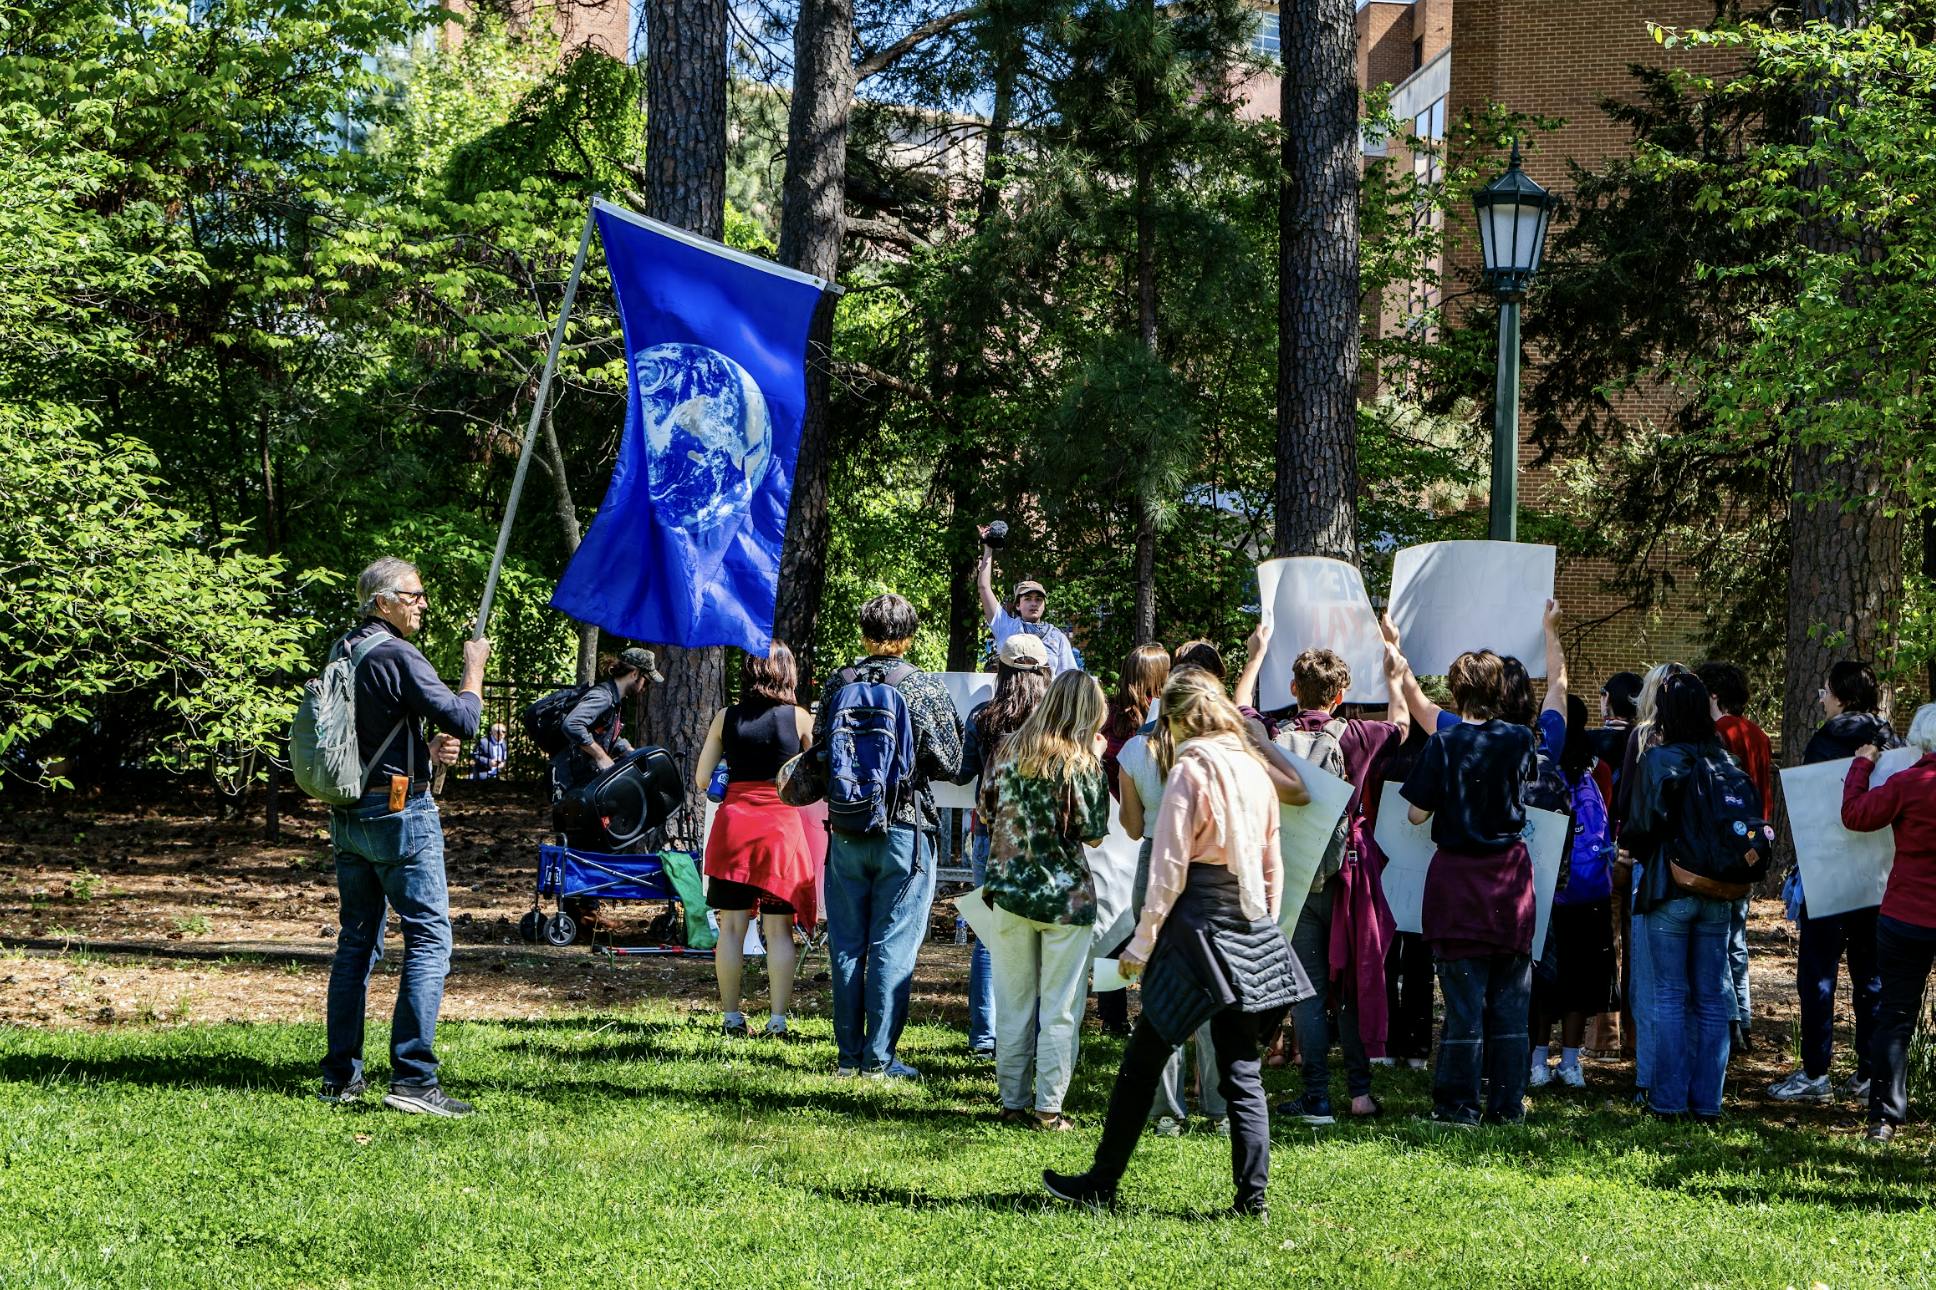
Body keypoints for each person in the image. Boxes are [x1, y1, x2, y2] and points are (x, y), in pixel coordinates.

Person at [1042, 669, 1311, 1218]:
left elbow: (1168, 867)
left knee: (1143, 1061)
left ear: (1180, 718)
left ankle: (1101, 1182)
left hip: (1195, 925)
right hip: (1249, 918)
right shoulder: (1255, 768)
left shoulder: (1191, 768)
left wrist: (1142, 942)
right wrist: (1269, 926)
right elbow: (1272, 859)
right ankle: (1252, 1202)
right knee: (1241, 1069)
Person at [319, 557, 489, 1118]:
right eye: (415, 595)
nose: (423, 605)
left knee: (357, 944)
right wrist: (473, 669)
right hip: (400, 819)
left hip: (349, 815)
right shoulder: (397, 653)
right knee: (430, 940)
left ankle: (340, 1076)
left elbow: (376, 731)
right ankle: (414, 1079)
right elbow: (464, 718)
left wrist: (424, 752)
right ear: (384, 601)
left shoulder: (346, 650)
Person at [1265, 620, 1413, 1125]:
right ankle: (1359, 1093)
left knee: (1305, 987)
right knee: (1352, 980)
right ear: (1342, 693)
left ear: (1292, 689)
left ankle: (1315, 1097)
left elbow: (1238, 712)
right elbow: (1404, 724)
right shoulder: (1355, 736)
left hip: (1296, 873)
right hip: (1349, 874)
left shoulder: (1273, 734)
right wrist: (1393, 662)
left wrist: (1256, 651)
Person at [813, 593, 963, 1079]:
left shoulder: (840, 683)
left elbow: (817, 754)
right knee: (893, 943)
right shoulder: (920, 686)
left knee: (847, 942)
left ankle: (847, 1057)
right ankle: (880, 1059)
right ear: (910, 636)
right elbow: (954, 764)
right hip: (905, 828)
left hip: (847, 829)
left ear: (863, 633)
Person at [1399, 649, 1538, 1127]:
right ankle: (1507, 1107)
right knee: (1510, 1006)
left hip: (1459, 882)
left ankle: (1458, 1106)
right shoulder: (1521, 739)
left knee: (1463, 1007)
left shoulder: (1443, 743)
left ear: (1457, 691)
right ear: (1499, 691)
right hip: (1511, 884)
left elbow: (1416, 813)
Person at [1623, 672, 1770, 1121]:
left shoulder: (1660, 759)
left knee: (1669, 995)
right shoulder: (1728, 762)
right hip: (1721, 891)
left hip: (1670, 888)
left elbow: (1642, 828)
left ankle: (1667, 1100)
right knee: (1711, 996)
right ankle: (1708, 1102)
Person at [980, 669, 1113, 1129]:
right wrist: (1095, 760)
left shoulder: (1008, 749)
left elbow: (985, 809)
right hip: (1065, 898)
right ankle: (1049, 1108)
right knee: (1060, 1007)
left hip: (1011, 892)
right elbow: (1094, 834)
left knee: (1013, 1002)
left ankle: (1012, 1101)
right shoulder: (1082, 763)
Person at [1769, 659, 1902, 1105]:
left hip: (1828, 872)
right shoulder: (1890, 740)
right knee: (1871, 976)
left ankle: (1814, 1072)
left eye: (1824, 690)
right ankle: (1868, 1074)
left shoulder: (1826, 740)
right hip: (1877, 877)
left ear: (1840, 695)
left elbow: (1814, 808)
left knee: (1818, 973)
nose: (1820, 698)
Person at [693, 642, 818, 1039]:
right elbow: (815, 777)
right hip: (781, 831)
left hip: (734, 828)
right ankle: (777, 1020)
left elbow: (701, 781)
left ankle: (732, 1018)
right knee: (778, 929)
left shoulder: (724, 718)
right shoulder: (800, 719)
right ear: (787, 672)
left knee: (731, 928)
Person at [953, 634, 1055, 1057]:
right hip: (1044, 837)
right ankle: (1030, 1035)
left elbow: (962, 773)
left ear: (1002, 672)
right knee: (1039, 935)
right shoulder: (1054, 720)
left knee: (990, 936)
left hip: (989, 833)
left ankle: (984, 1036)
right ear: (1044, 672)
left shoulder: (983, 717)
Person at [1842, 704, 1936, 1143]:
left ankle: (1884, 1118)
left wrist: (1861, 766)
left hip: (1906, 913)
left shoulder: (1909, 784)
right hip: (1910, 912)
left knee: (1895, 1015)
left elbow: (1856, 815)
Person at [1529, 696, 1617, 1092]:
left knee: (1543, 981)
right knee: (1581, 982)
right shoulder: (1595, 771)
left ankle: (1535, 1062)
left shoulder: (1538, 766)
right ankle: (1570, 1062)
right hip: (1589, 893)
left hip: (1549, 890)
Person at [1614, 661, 1688, 1101]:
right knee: (1694, 983)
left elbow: (1626, 802)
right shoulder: (1707, 743)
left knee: (1648, 977)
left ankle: (1648, 1080)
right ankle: (1693, 1081)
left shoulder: (1643, 738)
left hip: (1652, 864)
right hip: (1700, 868)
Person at [1697, 660, 1771, 1055]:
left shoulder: (1718, 733)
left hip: (1726, 845)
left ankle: (1730, 1020)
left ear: (1712, 694)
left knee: (1720, 938)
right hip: (1755, 843)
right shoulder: (1758, 735)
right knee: (1738, 939)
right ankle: (1743, 1016)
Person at [551, 647, 664, 802]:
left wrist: (628, 750)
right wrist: (600, 756)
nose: (645, 688)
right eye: (647, 681)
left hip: (578, 779)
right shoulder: (604, 697)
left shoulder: (614, 699)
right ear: (635, 674)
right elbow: (572, 724)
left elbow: (603, 733)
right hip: (569, 781)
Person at [977, 526, 1077, 675]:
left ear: (1044, 605)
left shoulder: (1057, 638)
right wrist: (988, 548)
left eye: (1038, 599)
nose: (1034, 603)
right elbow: (984, 588)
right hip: (1011, 697)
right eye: (1028, 599)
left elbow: (1069, 680)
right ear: (1018, 605)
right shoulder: (1006, 627)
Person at [1102, 643, 1171, 797]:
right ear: (1159, 676)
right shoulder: (1163, 713)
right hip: (1147, 804)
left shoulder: (1109, 711)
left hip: (1113, 802)